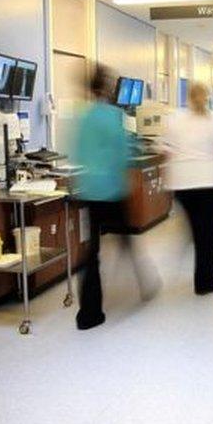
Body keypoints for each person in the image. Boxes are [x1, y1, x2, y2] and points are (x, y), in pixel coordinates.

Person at [72, 65, 134, 331]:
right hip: (111, 189)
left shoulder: (84, 117)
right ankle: (143, 282)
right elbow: (123, 152)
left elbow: (77, 153)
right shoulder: (113, 116)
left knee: (90, 252)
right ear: (107, 87)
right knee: (125, 237)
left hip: (87, 191)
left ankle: (88, 313)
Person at [160, 83, 213, 295]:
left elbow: (165, 151)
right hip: (211, 182)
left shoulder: (173, 118)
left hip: (183, 184)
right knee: (208, 234)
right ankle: (205, 283)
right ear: (208, 97)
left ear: (188, 97)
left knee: (197, 230)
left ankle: (193, 244)